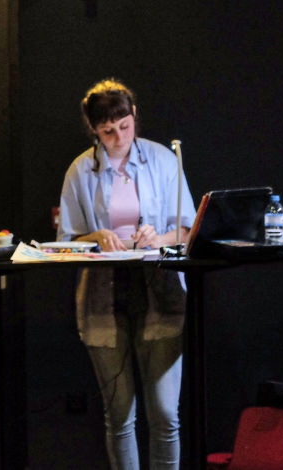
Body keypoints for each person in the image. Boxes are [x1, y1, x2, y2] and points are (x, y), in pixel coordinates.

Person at [57, 79, 196, 470]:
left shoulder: (163, 160)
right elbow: (66, 241)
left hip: (160, 291)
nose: (118, 137)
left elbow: (187, 231)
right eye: (107, 131)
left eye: (124, 126)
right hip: (103, 297)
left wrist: (158, 236)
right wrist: (96, 236)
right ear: (93, 130)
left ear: (134, 116)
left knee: (165, 414)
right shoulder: (81, 170)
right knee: (119, 415)